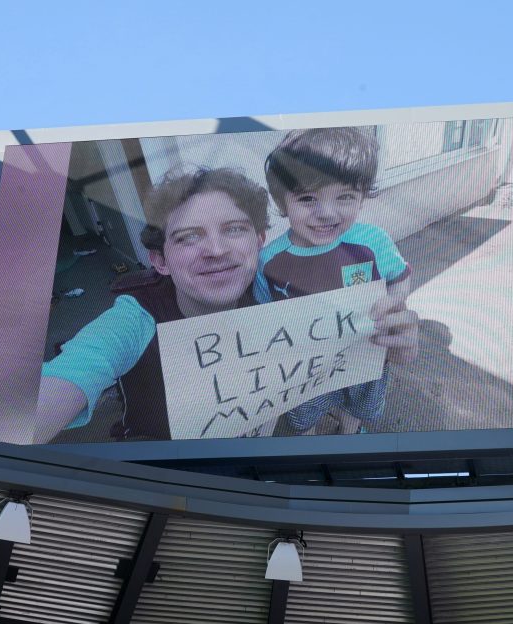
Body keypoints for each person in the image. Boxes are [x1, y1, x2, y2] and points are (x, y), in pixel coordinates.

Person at [34, 166, 418, 444]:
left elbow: (341, 351)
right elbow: (37, 403)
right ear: (160, 260)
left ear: (259, 242)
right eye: (187, 237)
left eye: (234, 229)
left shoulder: (278, 294)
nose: (216, 251)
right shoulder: (134, 320)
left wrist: (392, 343)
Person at [256, 127, 411, 434]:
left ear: (362, 198)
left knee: (358, 405)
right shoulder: (270, 261)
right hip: (307, 368)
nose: (326, 213)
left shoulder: (372, 241)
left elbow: (400, 275)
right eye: (307, 198)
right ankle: (310, 438)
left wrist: (394, 301)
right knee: (306, 411)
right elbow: (264, 317)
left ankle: (348, 432)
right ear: (282, 201)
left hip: (364, 354)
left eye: (345, 197)